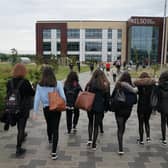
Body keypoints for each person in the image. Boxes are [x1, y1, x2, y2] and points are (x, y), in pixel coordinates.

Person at [33, 66, 66, 160]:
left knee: (49, 124)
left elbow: (36, 99)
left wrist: (35, 112)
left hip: (46, 109)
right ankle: (54, 153)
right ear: (52, 73)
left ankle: (49, 138)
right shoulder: (58, 83)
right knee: (56, 129)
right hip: (56, 108)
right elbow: (63, 97)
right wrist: (62, 102)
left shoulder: (39, 85)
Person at [5, 63, 35, 156]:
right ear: (24, 71)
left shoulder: (9, 82)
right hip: (23, 109)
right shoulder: (25, 82)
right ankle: (18, 148)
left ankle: (8, 122)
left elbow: (8, 94)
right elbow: (32, 93)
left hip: (12, 107)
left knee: (17, 124)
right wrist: (32, 86)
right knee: (21, 128)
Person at [111, 71, 137, 155]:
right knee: (123, 125)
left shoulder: (118, 86)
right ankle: (121, 134)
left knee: (119, 127)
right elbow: (135, 100)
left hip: (118, 109)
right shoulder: (132, 88)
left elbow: (112, 96)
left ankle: (120, 148)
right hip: (127, 111)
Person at [85, 69, 110, 150]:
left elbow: (85, 94)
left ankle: (89, 139)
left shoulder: (89, 84)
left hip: (90, 106)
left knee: (90, 122)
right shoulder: (105, 85)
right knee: (96, 126)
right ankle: (94, 144)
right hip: (99, 107)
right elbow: (107, 98)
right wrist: (106, 108)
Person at [134, 72, 156, 144]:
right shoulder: (151, 85)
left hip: (140, 106)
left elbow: (134, 83)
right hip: (148, 106)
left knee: (140, 123)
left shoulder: (139, 86)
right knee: (147, 122)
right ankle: (148, 137)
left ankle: (141, 140)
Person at [157, 70, 168, 145]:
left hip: (163, 107)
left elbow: (157, 97)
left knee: (163, 123)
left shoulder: (160, 87)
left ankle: (164, 139)